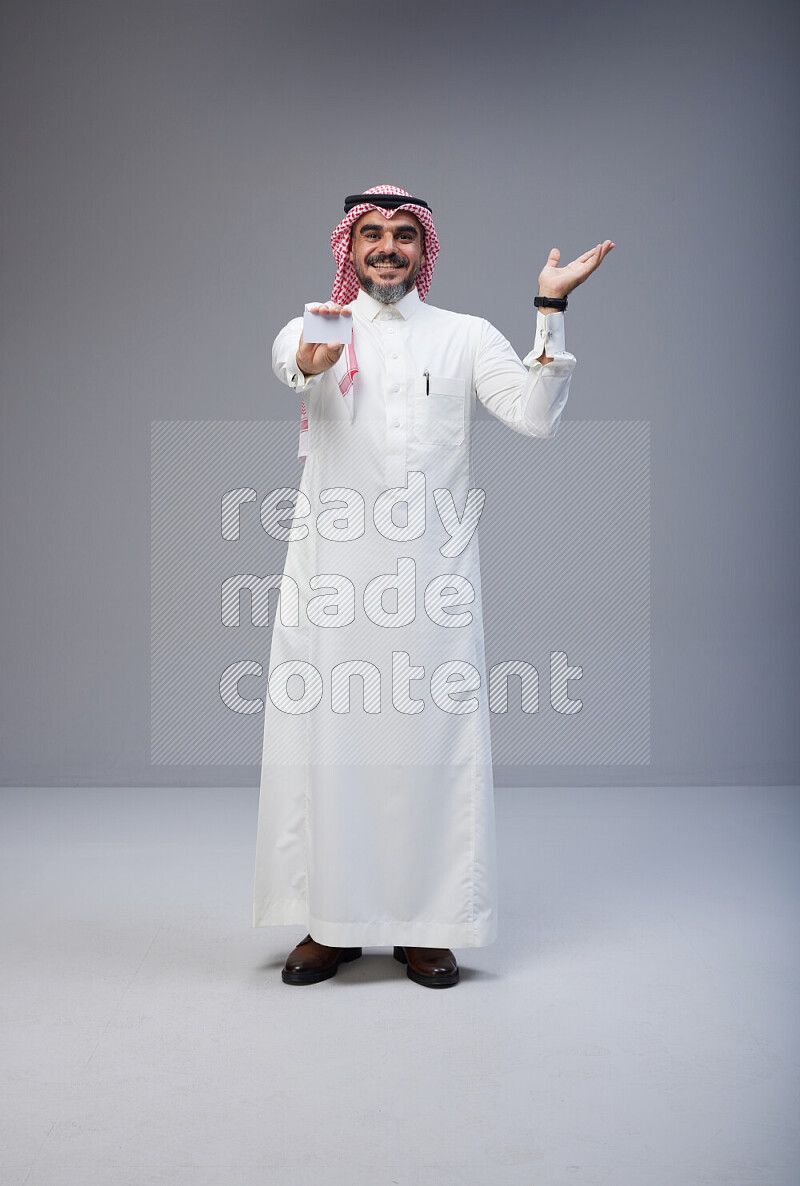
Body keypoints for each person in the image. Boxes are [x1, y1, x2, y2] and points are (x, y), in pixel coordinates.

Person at [253, 184, 614, 988]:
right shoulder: (319, 322)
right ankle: (331, 923)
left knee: (429, 746)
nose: (387, 248)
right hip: (335, 580)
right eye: (372, 235)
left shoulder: (464, 337)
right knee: (332, 745)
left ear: (425, 251)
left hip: (431, 582)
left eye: (403, 236)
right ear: (350, 248)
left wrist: (548, 311)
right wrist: (314, 355)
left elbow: (534, 414)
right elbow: (295, 364)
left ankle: (428, 926)